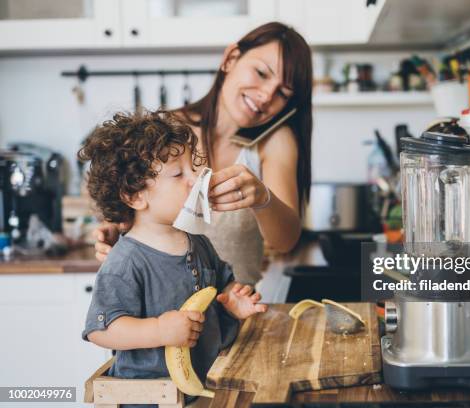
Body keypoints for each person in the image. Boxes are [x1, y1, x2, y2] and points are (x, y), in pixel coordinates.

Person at [94, 22, 313, 286]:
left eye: (283, 93)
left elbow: (285, 241)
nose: (267, 95)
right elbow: (129, 203)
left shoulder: (275, 141)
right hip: (165, 311)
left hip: (236, 312)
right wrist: (114, 226)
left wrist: (262, 198)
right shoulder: (165, 131)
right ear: (231, 58)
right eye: (261, 73)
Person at [80, 111, 267, 407]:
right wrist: (159, 330)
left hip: (205, 387)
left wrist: (232, 302)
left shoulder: (199, 242)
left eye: (193, 169)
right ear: (134, 196)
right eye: (178, 174)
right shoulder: (125, 261)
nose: (195, 180)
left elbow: (222, 285)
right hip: (149, 398)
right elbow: (101, 330)